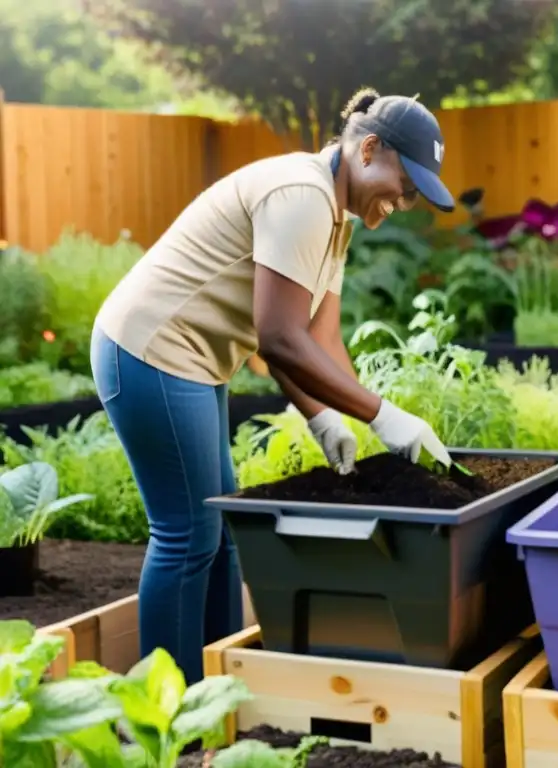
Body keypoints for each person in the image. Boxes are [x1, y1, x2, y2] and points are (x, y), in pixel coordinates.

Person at [90, 87, 454, 684]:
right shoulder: (302, 197)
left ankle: (220, 691)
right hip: (150, 349)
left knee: (221, 534)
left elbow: (319, 340)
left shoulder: (337, 218)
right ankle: (166, 714)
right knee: (186, 536)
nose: (406, 201)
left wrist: (331, 418)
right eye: (406, 184)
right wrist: (383, 414)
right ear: (368, 149)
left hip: (194, 361)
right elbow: (280, 339)